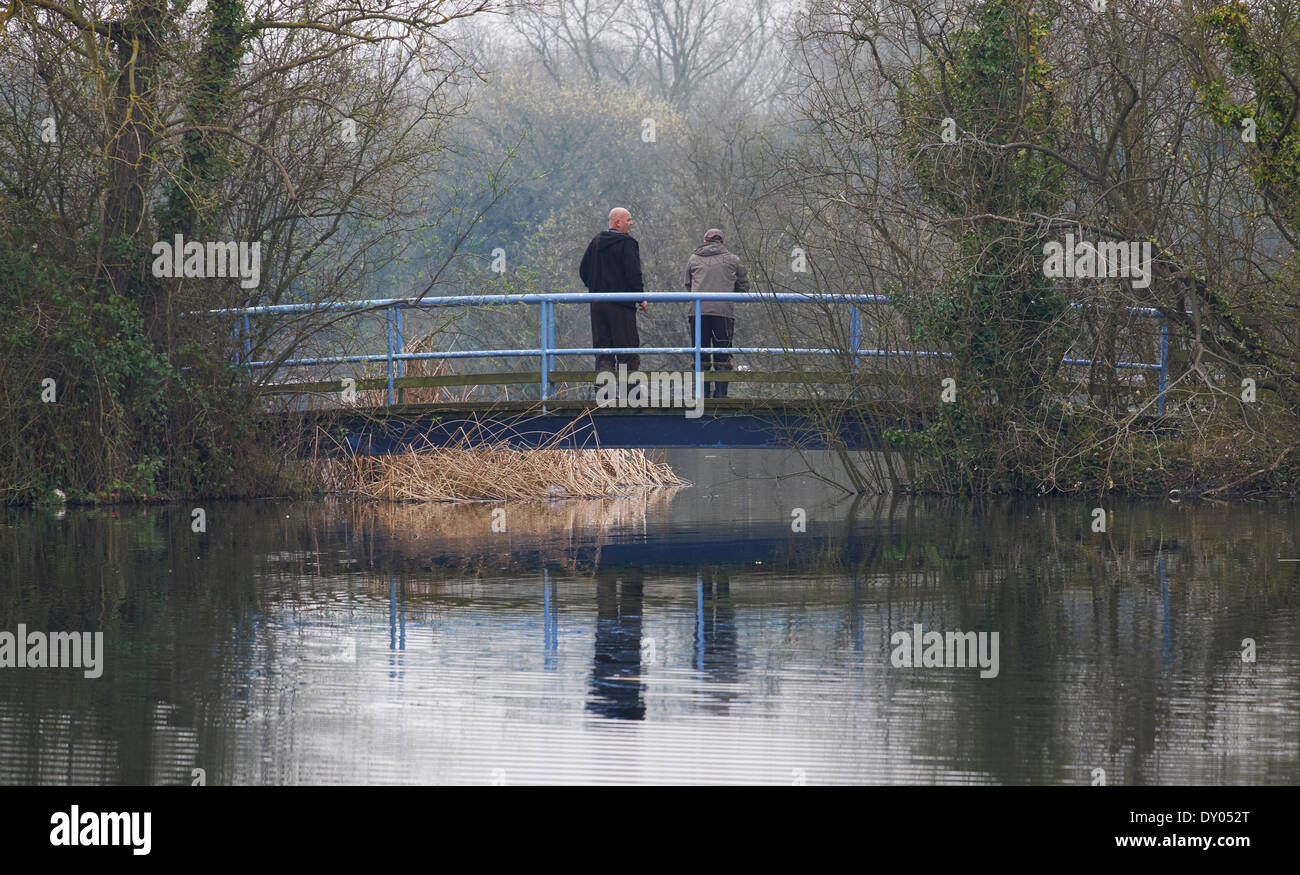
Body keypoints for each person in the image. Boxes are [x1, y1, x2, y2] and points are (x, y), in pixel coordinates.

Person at [579, 207, 646, 375]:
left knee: (603, 352)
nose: (631, 223)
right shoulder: (627, 243)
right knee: (627, 352)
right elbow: (633, 274)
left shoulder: (596, 242)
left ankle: (605, 397)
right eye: (628, 220)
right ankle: (630, 397)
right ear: (617, 222)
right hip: (621, 306)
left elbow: (583, 269)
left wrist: (595, 289)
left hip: (597, 305)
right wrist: (640, 297)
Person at [684, 228, 748, 398]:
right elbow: (744, 287)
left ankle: (701, 394)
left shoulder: (693, 259)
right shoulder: (734, 260)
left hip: (698, 312)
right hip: (723, 312)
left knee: (700, 352)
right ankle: (721, 394)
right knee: (722, 353)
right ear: (722, 242)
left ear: (705, 241)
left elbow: (688, 285)